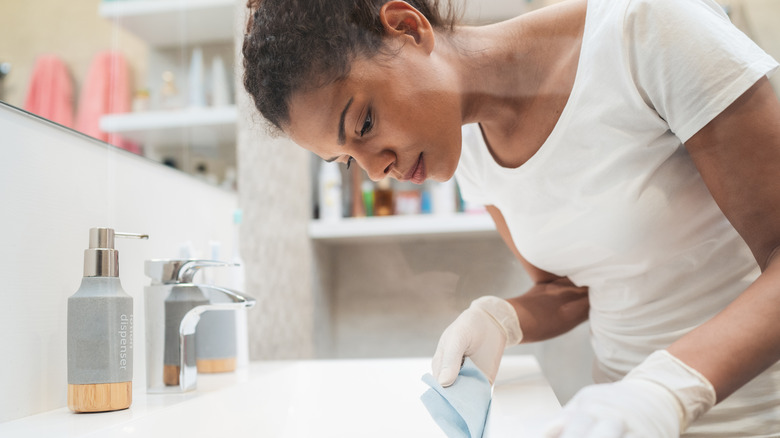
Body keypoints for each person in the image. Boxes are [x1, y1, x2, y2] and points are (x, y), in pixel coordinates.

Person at [242, 0, 780, 435]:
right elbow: (571, 290)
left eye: (362, 123)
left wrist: (667, 389)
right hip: (622, 422)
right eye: (346, 160)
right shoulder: (469, 153)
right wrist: (501, 319)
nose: (376, 171)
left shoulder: (648, 28)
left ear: (408, 28)